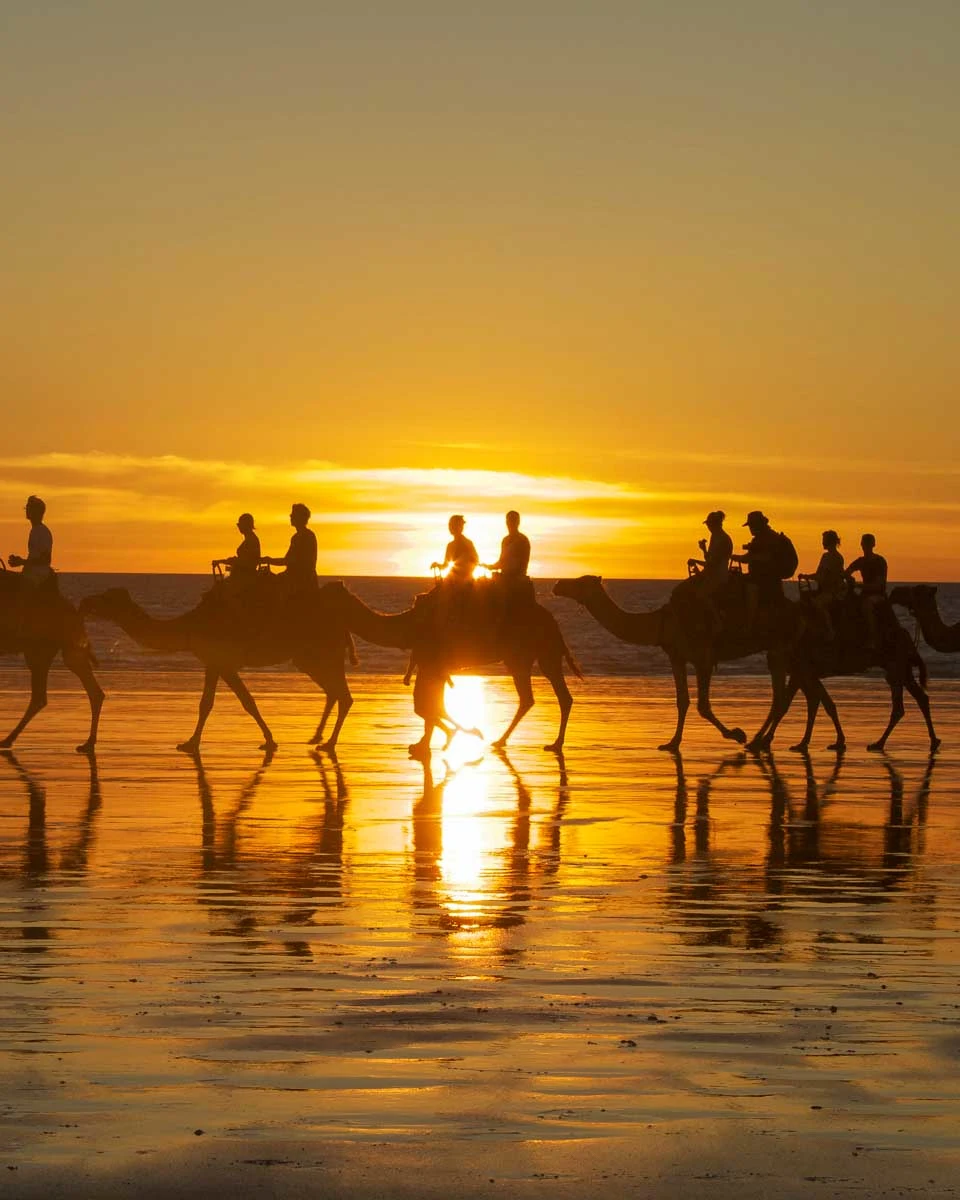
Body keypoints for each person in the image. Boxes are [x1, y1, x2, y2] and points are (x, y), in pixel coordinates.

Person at [731, 510, 785, 632]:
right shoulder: (762, 537)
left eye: (751, 526)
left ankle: (750, 623)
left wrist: (741, 558)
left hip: (765, 578)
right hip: (759, 575)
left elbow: (765, 557)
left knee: (751, 588)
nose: (750, 529)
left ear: (758, 525)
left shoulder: (769, 537)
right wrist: (740, 558)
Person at [684, 510, 733, 633]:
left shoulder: (723, 539)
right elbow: (709, 559)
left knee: (701, 595)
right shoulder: (715, 537)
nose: (708, 527)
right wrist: (704, 549)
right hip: (711, 573)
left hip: (718, 576)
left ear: (714, 524)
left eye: (709, 524)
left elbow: (713, 563)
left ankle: (717, 622)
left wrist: (695, 561)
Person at [262, 503, 318, 594]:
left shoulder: (301, 537)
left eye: (293, 515)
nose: (290, 516)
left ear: (299, 518)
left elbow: (288, 561)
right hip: (301, 578)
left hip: (299, 581)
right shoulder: (305, 535)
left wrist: (269, 560)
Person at [798, 530, 844, 638]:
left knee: (819, 604)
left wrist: (810, 577)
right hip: (823, 589)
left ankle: (830, 630)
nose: (822, 542)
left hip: (833, 591)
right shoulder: (825, 556)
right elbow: (819, 574)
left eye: (824, 540)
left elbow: (823, 576)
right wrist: (806, 576)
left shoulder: (836, 557)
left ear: (829, 541)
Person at [845, 533, 888, 648]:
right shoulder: (861, 561)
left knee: (867, 605)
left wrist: (858, 586)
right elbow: (847, 571)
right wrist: (848, 578)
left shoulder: (880, 561)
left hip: (878, 595)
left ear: (873, 545)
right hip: (864, 594)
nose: (866, 546)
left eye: (868, 543)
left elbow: (878, 585)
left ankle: (872, 637)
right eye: (864, 543)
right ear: (861, 545)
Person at [8, 495, 54, 590]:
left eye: (29, 508)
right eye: (27, 507)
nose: (27, 510)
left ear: (37, 512)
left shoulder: (43, 532)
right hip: (30, 574)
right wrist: (20, 561)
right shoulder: (35, 530)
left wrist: (22, 561)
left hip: (38, 576)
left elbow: (46, 559)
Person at [213, 513, 262, 587]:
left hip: (245, 577)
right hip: (241, 574)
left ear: (246, 525)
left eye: (240, 525)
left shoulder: (251, 540)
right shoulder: (250, 539)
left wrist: (228, 561)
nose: (239, 527)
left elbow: (247, 561)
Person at [432, 514, 478, 584]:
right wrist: (437, 565)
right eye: (449, 526)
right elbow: (445, 565)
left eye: (452, 525)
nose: (450, 528)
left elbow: (475, 561)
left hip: (463, 581)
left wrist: (466, 575)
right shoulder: (450, 545)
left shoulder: (467, 543)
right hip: (453, 579)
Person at [485, 511, 531, 582]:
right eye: (509, 520)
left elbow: (523, 562)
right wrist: (490, 566)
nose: (510, 523)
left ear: (518, 522)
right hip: (505, 577)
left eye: (513, 520)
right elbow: (501, 561)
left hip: (517, 580)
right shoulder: (505, 540)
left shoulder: (522, 540)